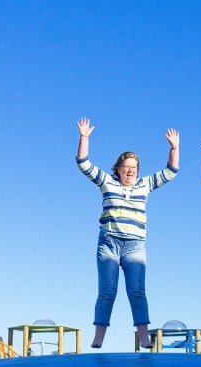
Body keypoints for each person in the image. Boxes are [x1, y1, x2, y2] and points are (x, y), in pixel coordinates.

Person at [77, 117, 180, 349]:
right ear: (118, 169)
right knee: (107, 292)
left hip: (135, 245)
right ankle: (99, 337)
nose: (131, 171)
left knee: (137, 291)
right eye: (127, 167)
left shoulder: (145, 184)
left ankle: (143, 337)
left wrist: (174, 147)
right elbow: (83, 163)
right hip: (109, 243)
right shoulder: (107, 182)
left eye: (134, 167)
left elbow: (171, 171)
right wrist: (84, 138)